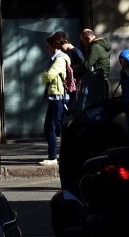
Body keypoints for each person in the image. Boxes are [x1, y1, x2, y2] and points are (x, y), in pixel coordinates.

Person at [40, 34, 69, 166]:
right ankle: (59, 155)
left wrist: (44, 75)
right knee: (57, 127)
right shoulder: (57, 58)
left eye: (48, 44)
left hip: (57, 96)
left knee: (49, 127)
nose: (47, 46)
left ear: (54, 45)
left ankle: (52, 157)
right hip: (57, 96)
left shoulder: (59, 59)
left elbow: (49, 75)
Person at [55, 30, 84, 113]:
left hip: (76, 86)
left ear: (66, 41)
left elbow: (85, 67)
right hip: (71, 86)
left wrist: (75, 68)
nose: (59, 48)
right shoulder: (67, 52)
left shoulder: (75, 52)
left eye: (60, 45)